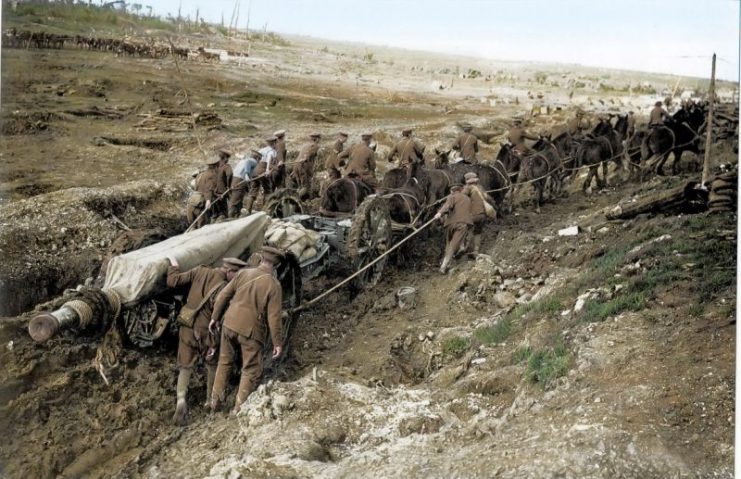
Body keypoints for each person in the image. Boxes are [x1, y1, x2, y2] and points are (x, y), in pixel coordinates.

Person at [166, 256, 247, 425]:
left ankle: (181, 400)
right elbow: (219, 318)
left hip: (186, 325)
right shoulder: (224, 288)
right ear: (229, 271)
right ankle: (210, 401)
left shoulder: (199, 270)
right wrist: (215, 343)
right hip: (205, 332)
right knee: (213, 363)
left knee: (185, 365)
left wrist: (174, 266)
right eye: (236, 275)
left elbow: (173, 281)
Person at [209, 246, 285, 412]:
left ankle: (214, 402)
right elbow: (274, 318)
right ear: (276, 266)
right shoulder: (274, 285)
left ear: (261, 259)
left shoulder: (243, 273)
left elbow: (223, 295)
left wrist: (214, 318)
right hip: (251, 331)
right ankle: (239, 409)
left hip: (229, 324)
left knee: (224, 362)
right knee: (250, 369)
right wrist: (277, 343)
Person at [434, 184, 473, 274]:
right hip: (463, 224)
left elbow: (447, 206)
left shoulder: (452, 196)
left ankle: (445, 264)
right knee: (454, 243)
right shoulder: (468, 199)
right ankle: (445, 265)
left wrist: (439, 213)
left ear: (452, 191)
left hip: (450, 223)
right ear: (461, 190)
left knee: (449, 243)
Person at [463, 172, 496, 256]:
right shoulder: (481, 188)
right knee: (478, 232)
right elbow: (489, 199)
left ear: (467, 181)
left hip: (473, 215)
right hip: (482, 215)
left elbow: (461, 198)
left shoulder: (468, 188)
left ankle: (465, 247)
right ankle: (476, 250)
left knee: (468, 230)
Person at [244, 136, 279, 214]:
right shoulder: (272, 151)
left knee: (253, 190)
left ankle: (247, 210)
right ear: (274, 143)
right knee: (268, 190)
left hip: (255, 171)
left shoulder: (262, 150)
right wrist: (267, 170)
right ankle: (266, 211)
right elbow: (269, 159)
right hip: (262, 171)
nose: (276, 144)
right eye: (276, 143)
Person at [187, 155, 220, 229]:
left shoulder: (200, 174)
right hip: (201, 204)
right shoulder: (212, 175)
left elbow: (196, 186)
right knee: (202, 228)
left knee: (193, 228)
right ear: (215, 165)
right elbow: (209, 189)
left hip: (192, 202)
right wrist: (208, 200)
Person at [228, 150, 260, 218]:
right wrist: (247, 174)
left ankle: (236, 215)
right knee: (236, 198)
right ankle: (230, 216)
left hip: (234, 178)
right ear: (257, 158)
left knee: (238, 198)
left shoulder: (244, 159)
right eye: (259, 159)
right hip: (240, 179)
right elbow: (248, 163)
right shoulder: (253, 161)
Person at [214, 148, 233, 219]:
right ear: (225, 158)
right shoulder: (226, 166)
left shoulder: (216, 166)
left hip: (215, 191)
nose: (228, 159)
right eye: (227, 157)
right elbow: (230, 175)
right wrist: (229, 186)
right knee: (228, 207)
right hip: (223, 191)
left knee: (218, 210)